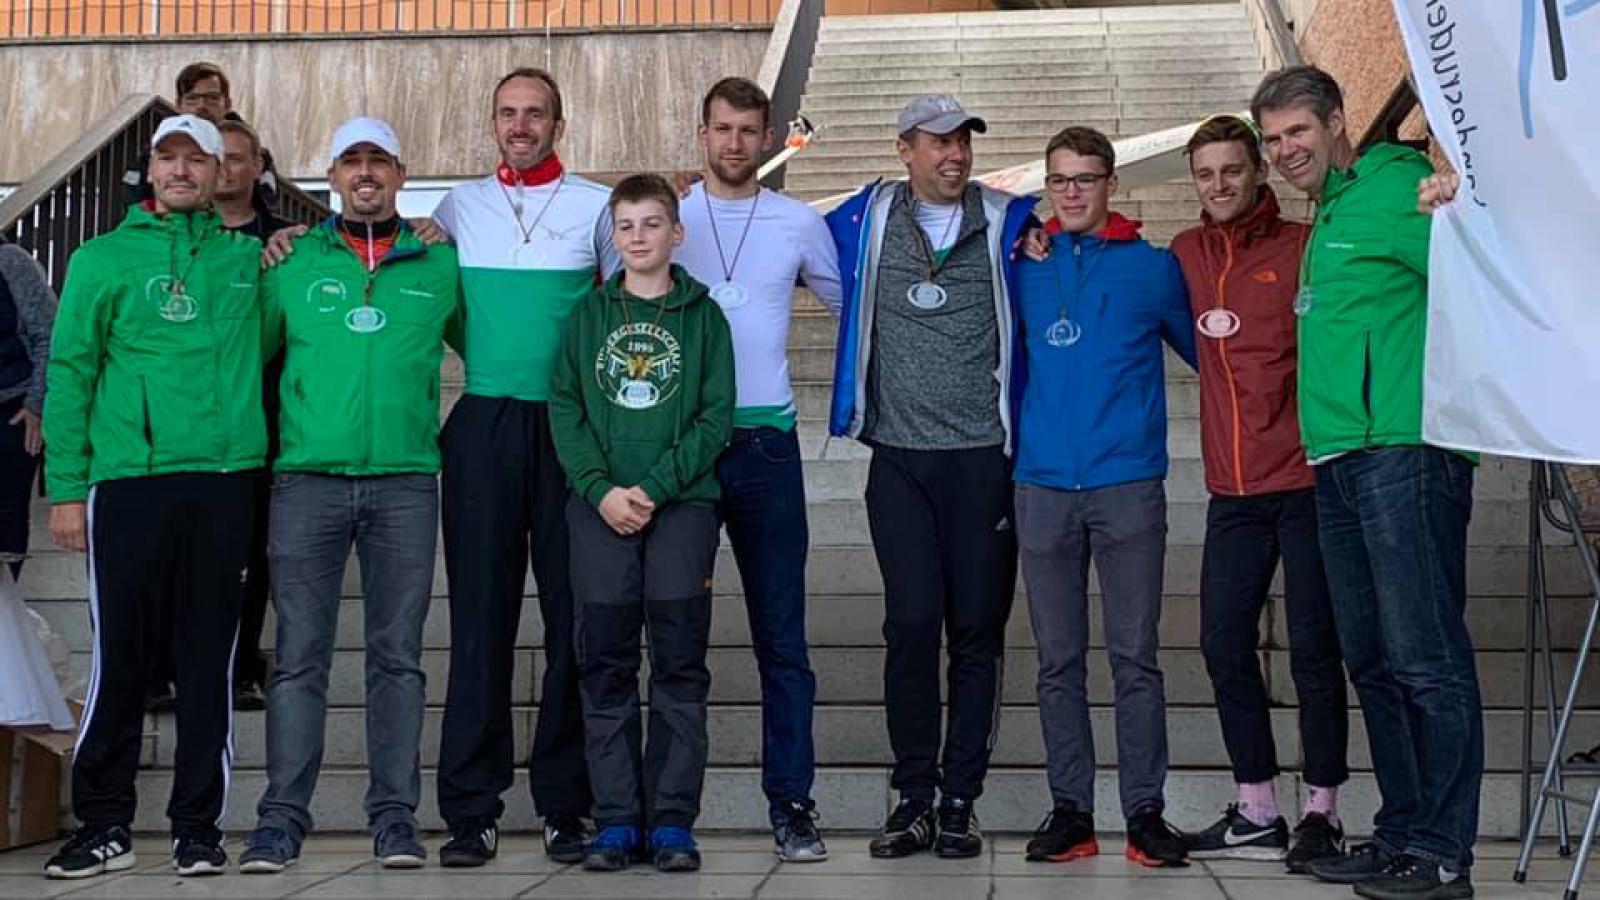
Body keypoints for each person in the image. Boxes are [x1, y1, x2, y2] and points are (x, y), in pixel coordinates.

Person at [1254, 65, 1480, 900]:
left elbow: (1479, 268)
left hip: (1405, 453)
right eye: (1273, 139)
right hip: (1339, 461)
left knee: (1426, 659)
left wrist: (1457, 198)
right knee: (1375, 661)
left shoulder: (1394, 189)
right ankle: (1401, 835)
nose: (1286, 150)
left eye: (1298, 132)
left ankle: (1444, 853)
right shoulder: (1331, 212)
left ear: (1338, 122)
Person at [42, 114, 266, 879]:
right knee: (122, 658)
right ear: (150, 170)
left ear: (219, 173)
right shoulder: (101, 259)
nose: (180, 171)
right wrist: (66, 489)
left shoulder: (249, 261)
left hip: (224, 482)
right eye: (167, 158)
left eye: (195, 159)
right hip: (128, 484)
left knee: (208, 661)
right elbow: (69, 372)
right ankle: (103, 823)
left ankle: (197, 828)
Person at [236, 117, 462, 874]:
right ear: (330, 177)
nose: (366, 173)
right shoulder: (292, 260)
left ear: (401, 174)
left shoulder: (438, 262)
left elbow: (492, 355)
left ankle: (395, 819)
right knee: (299, 658)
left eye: (380, 161)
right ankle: (280, 821)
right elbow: (240, 360)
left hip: (405, 483)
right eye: (351, 162)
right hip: (308, 482)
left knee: (398, 659)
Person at [823, 94, 1035, 860]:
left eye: (963, 142)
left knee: (975, 630)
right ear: (904, 150)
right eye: (939, 143)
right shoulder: (864, 218)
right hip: (900, 459)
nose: (955, 155)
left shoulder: (1011, 222)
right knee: (911, 625)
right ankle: (913, 795)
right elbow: (772, 232)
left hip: (983, 459)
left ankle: (958, 802)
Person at [428, 67, 618, 867]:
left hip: (571, 429)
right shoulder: (458, 207)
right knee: (480, 620)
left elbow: (621, 310)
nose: (520, 125)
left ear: (558, 124)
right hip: (485, 419)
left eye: (535, 113)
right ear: (492, 122)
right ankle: (471, 809)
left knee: (575, 617)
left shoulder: (596, 206)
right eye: (507, 113)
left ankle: (566, 804)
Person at [1008, 126, 1195, 869]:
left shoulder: (1152, 269)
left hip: (1127, 485)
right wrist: (1021, 232)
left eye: (1086, 178)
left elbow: (1212, 357)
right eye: (1059, 180)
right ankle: (1072, 812)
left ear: (1112, 183)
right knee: (1057, 660)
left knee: (1134, 657)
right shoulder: (1023, 265)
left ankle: (1145, 812)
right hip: (1042, 485)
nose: (1072, 192)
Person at [1167, 114, 1349, 871]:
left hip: (1305, 481)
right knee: (1222, 643)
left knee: (1314, 650)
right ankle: (1258, 809)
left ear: (1259, 171)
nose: (1219, 185)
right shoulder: (1183, 254)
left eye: (1232, 170)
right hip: (1232, 491)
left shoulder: (1303, 247)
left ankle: (1323, 812)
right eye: (1205, 173)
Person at [671, 76, 841, 862]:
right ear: (701, 134)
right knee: (679, 639)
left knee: (783, 639)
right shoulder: (670, 219)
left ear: (768, 138)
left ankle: (792, 804)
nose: (734, 142)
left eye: (748, 130)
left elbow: (859, 309)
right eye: (722, 128)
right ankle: (671, 811)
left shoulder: (798, 222)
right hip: (686, 452)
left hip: (767, 447)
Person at [549, 172, 734, 873]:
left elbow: (715, 416)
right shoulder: (588, 316)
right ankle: (618, 819)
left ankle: (674, 821)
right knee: (605, 663)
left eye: (651, 223)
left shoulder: (704, 317)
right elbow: (565, 406)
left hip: (681, 507)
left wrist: (653, 487)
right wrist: (600, 490)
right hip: (599, 511)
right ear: (613, 236)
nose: (638, 237)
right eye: (625, 226)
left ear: (676, 233)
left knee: (679, 663)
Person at [216, 118, 291, 712]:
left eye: (237, 158)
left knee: (254, 548)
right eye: (215, 157)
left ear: (258, 166)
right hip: (188, 421)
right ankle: (166, 666)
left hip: (265, 417)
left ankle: (243, 666)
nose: (225, 169)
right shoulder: (176, 238)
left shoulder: (285, 243)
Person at [0, 240, 55, 579]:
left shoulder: (11, 261)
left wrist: (36, 403)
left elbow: (47, 333)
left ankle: (5, 604)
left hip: (11, 409)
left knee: (8, 513)